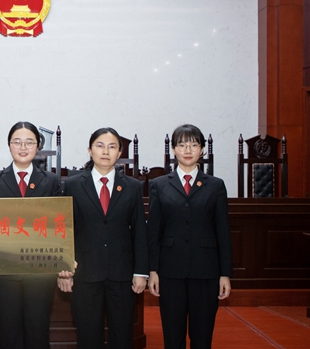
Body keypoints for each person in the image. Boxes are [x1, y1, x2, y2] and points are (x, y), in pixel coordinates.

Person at [58, 127, 148, 349]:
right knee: (88, 336)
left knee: (122, 336)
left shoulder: (132, 187)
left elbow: (139, 232)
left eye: (112, 147)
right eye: (100, 145)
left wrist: (140, 272)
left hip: (122, 274)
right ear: (90, 150)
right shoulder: (72, 185)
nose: (105, 151)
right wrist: (64, 269)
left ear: (119, 153)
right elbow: (64, 230)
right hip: (85, 273)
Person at [147, 124, 232, 349]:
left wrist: (225, 273)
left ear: (202, 150)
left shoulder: (215, 185)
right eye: (182, 145)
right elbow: (153, 231)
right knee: (172, 335)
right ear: (173, 149)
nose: (188, 150)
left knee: (202, 335)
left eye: (194, 145)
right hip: (169, 270)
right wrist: (152, 270)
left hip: (206, 270)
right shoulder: (158, 185)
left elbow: (223, 231)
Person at [0, 121, 62, 349]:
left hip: (40, 270)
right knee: (10, 331)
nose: (23, 147)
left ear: (38, 147)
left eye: (29, 142)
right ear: (9, 145)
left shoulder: (51, 181)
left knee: (38, 330)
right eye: (17, 142)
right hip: (4, 271)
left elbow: (59, 224)